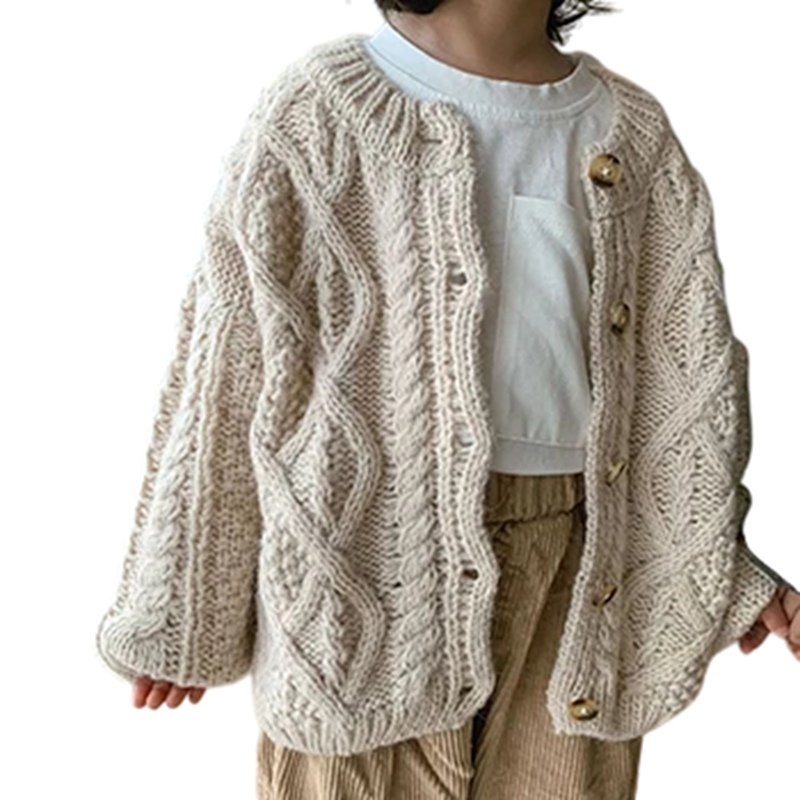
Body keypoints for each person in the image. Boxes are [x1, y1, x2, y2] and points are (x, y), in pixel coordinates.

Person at [95, 1, 800, 798]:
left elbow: (685, 385)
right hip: (362, 564)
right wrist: (183, 606)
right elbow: (228, 366)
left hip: (581, 568)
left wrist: (713, 565)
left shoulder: (630, 132)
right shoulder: (321, 109)